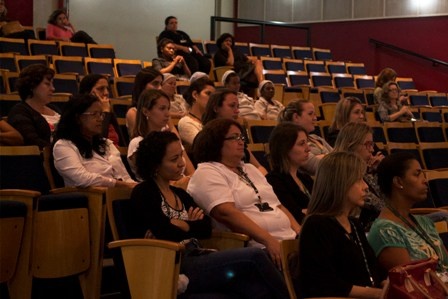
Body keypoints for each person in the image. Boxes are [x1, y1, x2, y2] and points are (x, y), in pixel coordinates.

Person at [131, 131, 289, 298]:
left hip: (198, 253)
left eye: (180, 156)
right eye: (173, 159)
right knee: (255, 255)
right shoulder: (144, 192)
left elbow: (206, 227)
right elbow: (164, 231)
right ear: (155, 165)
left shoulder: (180, 194)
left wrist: (183, 224)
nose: (181, 164)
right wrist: (190, 224)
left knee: (256, 288)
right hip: (174, 263)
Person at [188, 118, 300, 270]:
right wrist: (269, 240)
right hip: (256, 246)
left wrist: (300, 232)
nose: (241, 142)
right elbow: (226, 213)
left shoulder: (250, 169)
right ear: (216, 142)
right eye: (234, 137)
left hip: (287, 241)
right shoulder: (207, 171)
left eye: (242, 137)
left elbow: (278, 206)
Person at [298, 152, 386, 298]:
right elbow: (324, 283)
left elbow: (374, 267)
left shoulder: (354, 224)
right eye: (358, 180)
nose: (365, 187)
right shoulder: (317, 226)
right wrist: (375, 293)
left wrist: (386, 283)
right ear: (340, 183)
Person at [368, 152, 448, 273]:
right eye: (417, 174)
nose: (425, 180)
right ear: (398, 182)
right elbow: (412, 281)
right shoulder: (385, 231)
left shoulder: (425, 222)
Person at [53, 94, 136, 188]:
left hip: (120, 194)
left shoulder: (106, 143)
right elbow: (82, 179)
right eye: (94, 114)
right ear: (78, 118)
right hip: (92, 198)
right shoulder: (64, 146)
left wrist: (135, 186)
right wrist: (119, 184)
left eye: (101, 114)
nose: (100, 119)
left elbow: (125, 177)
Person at [201, 88, 268, 175]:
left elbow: (258, 167)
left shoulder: (238, 135)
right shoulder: (206, 139)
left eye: (238, 107)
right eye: (232, 106)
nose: (237, 111)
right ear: (216, 108)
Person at [333, 122, 385, 230]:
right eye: (368, 144)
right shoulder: (343, 173)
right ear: (351, 145)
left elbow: (383, 199)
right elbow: (381, 206)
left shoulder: (363, 172)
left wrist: (375, 172)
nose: (372, 150)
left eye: (372, 144)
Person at [266, 122, 312, 224]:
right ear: (285, 149)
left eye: (307, 143)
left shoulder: (305, 177)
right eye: (301, 144)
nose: (308, 149)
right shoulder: (274, 180)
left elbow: (325, 208)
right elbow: (294, 216)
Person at [7, 64, 60, 148]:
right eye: (47, 84)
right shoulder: (20, 111)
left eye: (52, 84)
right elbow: (32, 142)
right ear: (32, 85)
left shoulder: (55, 108)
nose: (53, 88)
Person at [278, 99, 332, 175]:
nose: (315, 118)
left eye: (315, 114)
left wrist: (322, 157)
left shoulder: (316, 138)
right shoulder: (291, 142)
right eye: (310, 114)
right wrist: (329, 156)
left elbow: (340, 158)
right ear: (296, 117)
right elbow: (319, 167)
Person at [79, 74, 125, 146]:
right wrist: (106, 111)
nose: (106, 93)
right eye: (100, 89)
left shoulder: (108, 111)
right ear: (87, 92)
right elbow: (99, 142)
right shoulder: (84, 115)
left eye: (107, 89)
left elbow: (122, 144)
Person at [177, 77, 215, 147]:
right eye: (208, 93)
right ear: (195, 95)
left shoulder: (213, 119)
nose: (212, 98)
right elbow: (204, 146)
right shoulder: (185, 122)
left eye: (213, 95)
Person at [126, 67, 163, 136]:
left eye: (161, 84)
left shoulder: (163, 109)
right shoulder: (133, 112)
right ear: (142, 86)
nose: (160, 88)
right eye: (155, 83)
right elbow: (141, 138)